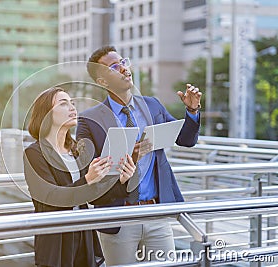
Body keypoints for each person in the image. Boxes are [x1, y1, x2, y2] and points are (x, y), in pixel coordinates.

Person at [76, 46, 202, 265]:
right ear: (102, 82)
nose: (124, 68)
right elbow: (89, 178)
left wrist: (192, 112)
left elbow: (186, 140)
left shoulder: (152, 105)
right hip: (117, 218)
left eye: (124, 62)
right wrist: (129, 160)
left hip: (157, 214)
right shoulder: (89, 121)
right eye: (115, 67)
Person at [23, 87, 136, 267]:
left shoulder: (76, 149)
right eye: (63, 103)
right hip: (56, 241)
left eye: (73, 103)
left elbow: (94, 197)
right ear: (46, 115)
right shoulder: (34, 153)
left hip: (83, 236)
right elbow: (50, 199)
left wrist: (121, 182)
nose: (72, 108)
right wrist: (88, 180)